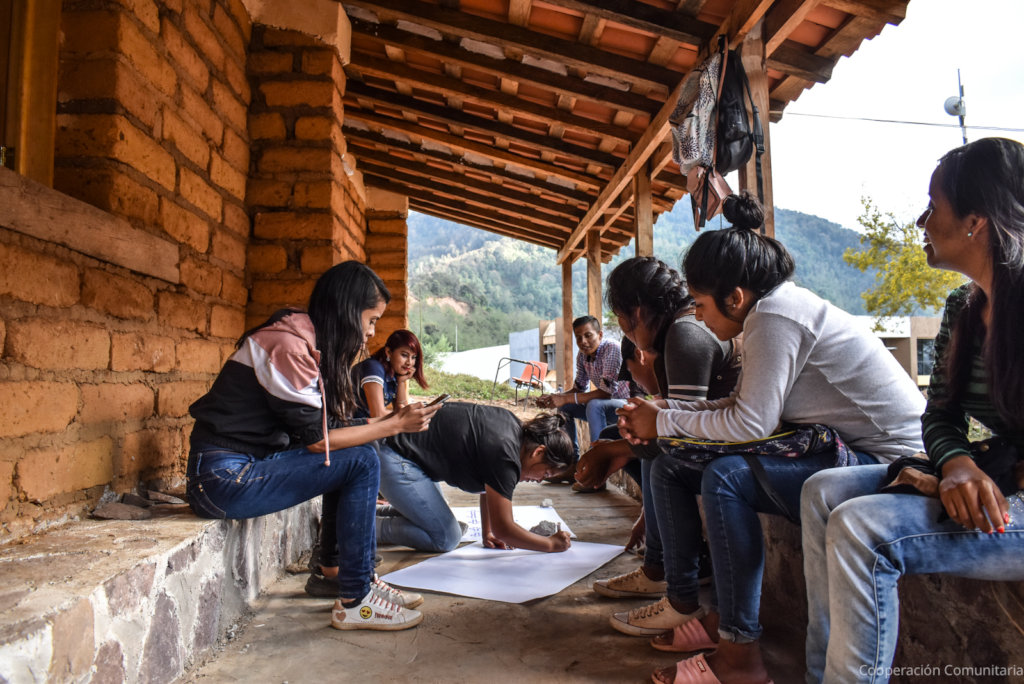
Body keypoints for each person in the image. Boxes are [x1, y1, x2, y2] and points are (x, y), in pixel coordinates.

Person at [616, 193, 926, 684]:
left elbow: (749, 426)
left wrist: (665, 421)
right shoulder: (770, 312)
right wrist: (663, 413)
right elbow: (742, 407)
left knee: (726, 479)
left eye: (701, 305)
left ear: (735, 297)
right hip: (846, 448)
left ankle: (739, 653)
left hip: (892, 462)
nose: (698, 316)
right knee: (673, 464)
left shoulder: (775, 318)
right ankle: (699, 608)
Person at [801, 138, 1024, 683]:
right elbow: (940, 414)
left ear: (975, 221)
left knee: (861, 526)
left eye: (933, 205)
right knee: (822, 491)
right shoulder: (963, 308)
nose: (922, 221)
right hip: (996, 474)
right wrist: (958, 465)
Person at [186, 261, 442, 632]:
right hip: (223, 478)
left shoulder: (305, 342)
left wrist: (391, 420)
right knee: (361, 460)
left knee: (358, 454)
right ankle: (357, 601)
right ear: (348, 310)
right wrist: (395, 424)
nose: (372, 333)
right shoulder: (288, 347)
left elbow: (328, 429)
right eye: (371, 320)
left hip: (244, 466)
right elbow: (319, 441)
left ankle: (339, 574)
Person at [575, 257, 738, 608]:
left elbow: (679, 439)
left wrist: (612, 451)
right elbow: (675, 424)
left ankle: (676, 590)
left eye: (622, 321)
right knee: (642, 441)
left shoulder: (685, 332)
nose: (628, 335)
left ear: (636, 311)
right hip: (725, 432)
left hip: (742, 439)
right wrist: (649, 515)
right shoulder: (676, 331)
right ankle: (657, 565)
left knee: (662, 462)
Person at [375, 403, 574, 553]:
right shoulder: (506, 455)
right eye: (546, 473)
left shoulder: (513, 428)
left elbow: (490, 483)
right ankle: (367, 528)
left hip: (400, 451)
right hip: (393, 456)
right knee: (446, 536)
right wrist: (550, 544)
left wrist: (488, 532)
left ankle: (376, 512)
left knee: (440, 517)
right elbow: (505, 529)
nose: (539, 480)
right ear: (538, 452)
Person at [536, 315, 629, 472]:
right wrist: (556, 398)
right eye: (578, 338)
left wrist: (566, 398)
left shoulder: (611, 349)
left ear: (600, 334)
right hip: (604, 406)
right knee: (565, 407)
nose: (583, 342)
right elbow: (579, 388)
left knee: (594, 405)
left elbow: (606, 394)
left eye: (588, 335)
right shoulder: (582, 356)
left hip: (624, 406)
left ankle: (596, 467)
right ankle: (571, 465)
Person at [352, 329, 429, 419]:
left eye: (413, 357)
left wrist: (401, 381)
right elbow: (377, 414)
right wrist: (410, 415)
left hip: (365, 423)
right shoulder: (374, 368)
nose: (409, 362)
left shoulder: (392, 373)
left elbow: (402, 408)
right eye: (404, 355)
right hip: (349, 424)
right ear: (388, 352)